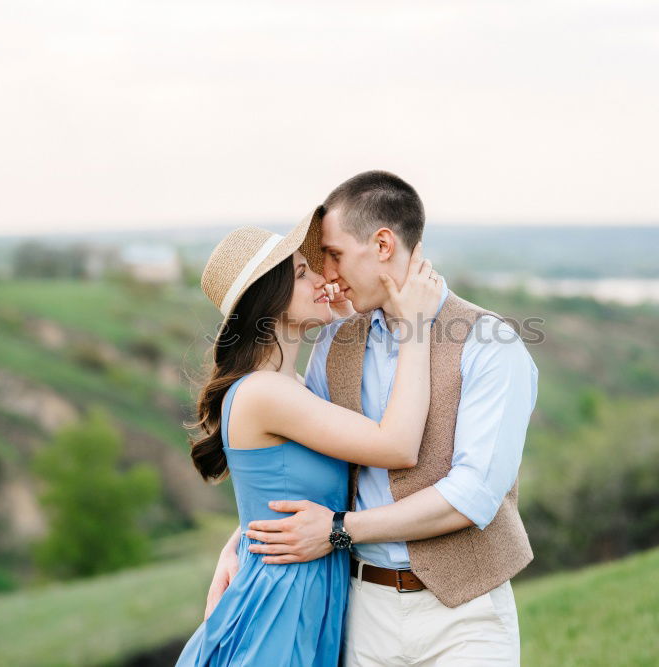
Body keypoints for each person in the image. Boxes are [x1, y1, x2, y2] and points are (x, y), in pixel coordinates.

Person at [208, 170, 539, 665]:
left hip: (465, 616)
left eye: (335, 255)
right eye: (315, 266)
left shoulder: (489, 345)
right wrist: (244, 539)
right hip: (360, 614)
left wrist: (341, 528)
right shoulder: (334, 343)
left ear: (383, 244)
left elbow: (472, 497)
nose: (328, 276)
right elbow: (306, 463)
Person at [174, 216, 443, 666]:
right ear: (269, 301)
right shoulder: (265, 393)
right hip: (282, 601)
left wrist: (238, 537)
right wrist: (417, 326)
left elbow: (280, 489)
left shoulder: (291, 386)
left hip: (305, 591)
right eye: (302, 273)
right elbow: (397, 445)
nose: (322, 279)